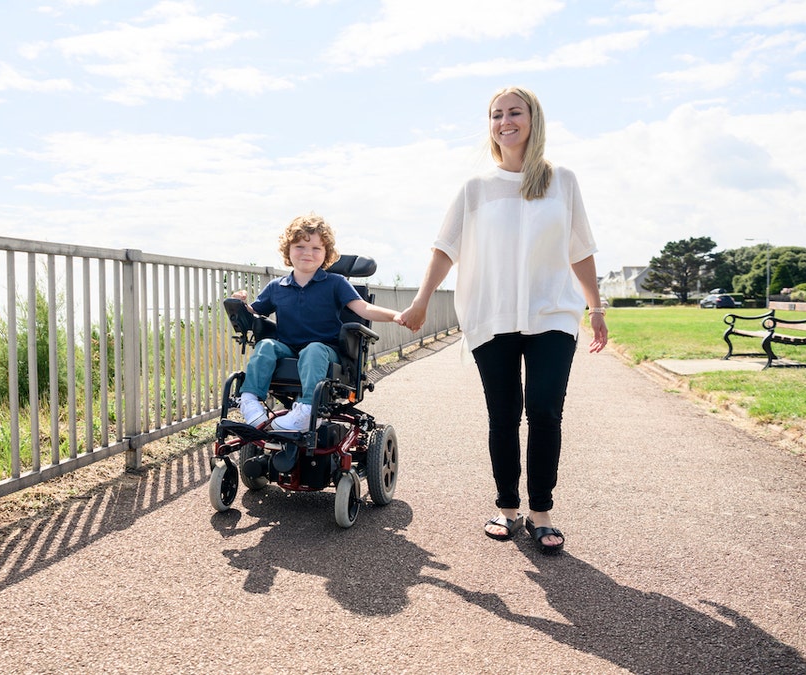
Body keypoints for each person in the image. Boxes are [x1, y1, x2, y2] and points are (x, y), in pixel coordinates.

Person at [398, 86, 608, 554]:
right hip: (491, 317)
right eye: (496, 115)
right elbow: (445, 248)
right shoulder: (475, 189)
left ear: (533, 119)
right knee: (504, 415)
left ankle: (542, 512)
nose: (504, 121)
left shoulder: (563, 181)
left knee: (546, 411)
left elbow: (581, 250)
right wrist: (420, 301)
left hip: (551, 314)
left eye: (514, 112)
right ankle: (508, 508)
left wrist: (595, 307)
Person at [233, 213, 401, 431]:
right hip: (288, 349)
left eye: (316, 248)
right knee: (265, 346)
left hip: (326, 350)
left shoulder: (335, 283)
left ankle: (307, 408)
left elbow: (363, 309)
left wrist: (396, 316)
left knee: (313, 350)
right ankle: (249, 400)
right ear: (288, 251)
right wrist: (240, 303)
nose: (307, 253)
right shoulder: (277, 287)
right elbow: (253, 314)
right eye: (300, 246)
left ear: (326, 254)